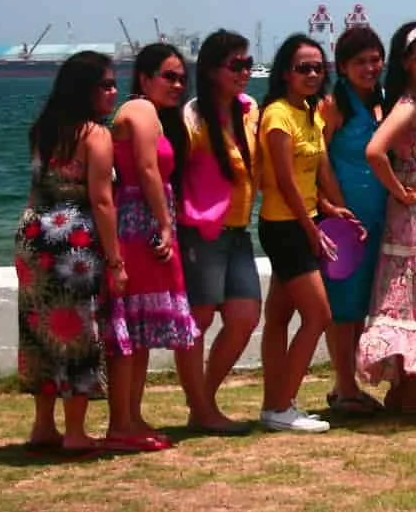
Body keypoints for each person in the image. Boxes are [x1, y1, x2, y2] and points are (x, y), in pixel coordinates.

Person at [14, 51, 121, 456]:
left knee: (40, 330)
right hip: (73, 242)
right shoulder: (95, 135)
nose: (114, 92)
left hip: (33, 233)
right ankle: (75, 432)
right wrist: (115, 260)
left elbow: (36, 187)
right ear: (85, 90)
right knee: (78, 333)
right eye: (106, 85)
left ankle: (43, 426)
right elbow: (102, 201)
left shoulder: (43, 129)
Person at [256, 35, 360, 433]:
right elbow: (283, 181)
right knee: (318, 315)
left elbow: (315, 173)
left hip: (303, 221)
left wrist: (333, 210)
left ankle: (274, 405)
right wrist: (311, 230)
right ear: (285, 73)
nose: (313, 74)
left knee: (280, 316)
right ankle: (283, 406)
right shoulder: (278, 115)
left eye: (318, 68)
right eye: (303, 68)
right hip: (285, 227)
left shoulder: (311, 113)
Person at [103, 44, 201, 452]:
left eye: (182, 78)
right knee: (129, 329)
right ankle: (120, 423)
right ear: (144, 79)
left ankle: (131, 417)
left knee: (139, 330)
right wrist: (164, 223)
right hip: (138, 226)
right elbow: (145, 168)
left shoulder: (149, 114)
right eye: (169, 76)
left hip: (143, 224)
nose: (178, 85)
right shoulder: (140, 110)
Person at [356, 21, 416, 414]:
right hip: (415, 213)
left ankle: (406, 387)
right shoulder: (408, 105)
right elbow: (375, 150)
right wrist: (405, 191)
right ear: (407, 63)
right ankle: (409, 390)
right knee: (410, 294)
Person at [174, 29, 260, 435]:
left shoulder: (248, 110)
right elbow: (170, 172)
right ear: (210, 71)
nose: (245, 71)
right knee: (199, 320)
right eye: (236, 65)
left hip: (240, 229)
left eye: (247, 63)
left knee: (244, 317)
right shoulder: (192, 117)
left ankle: (203, 402)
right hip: (201, 231)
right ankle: (202, 408)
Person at [318, 25, 390, 414]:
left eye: (375, 59)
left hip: (380, 217)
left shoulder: (384, 101)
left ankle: (344, 385)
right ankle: (346, 387)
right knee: (342, 308)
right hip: (345, 219)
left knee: (362, 306)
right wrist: (334, 206)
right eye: (360, 61)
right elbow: (319, 157)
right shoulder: (334, 105)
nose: (369, 67)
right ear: (342, 66)